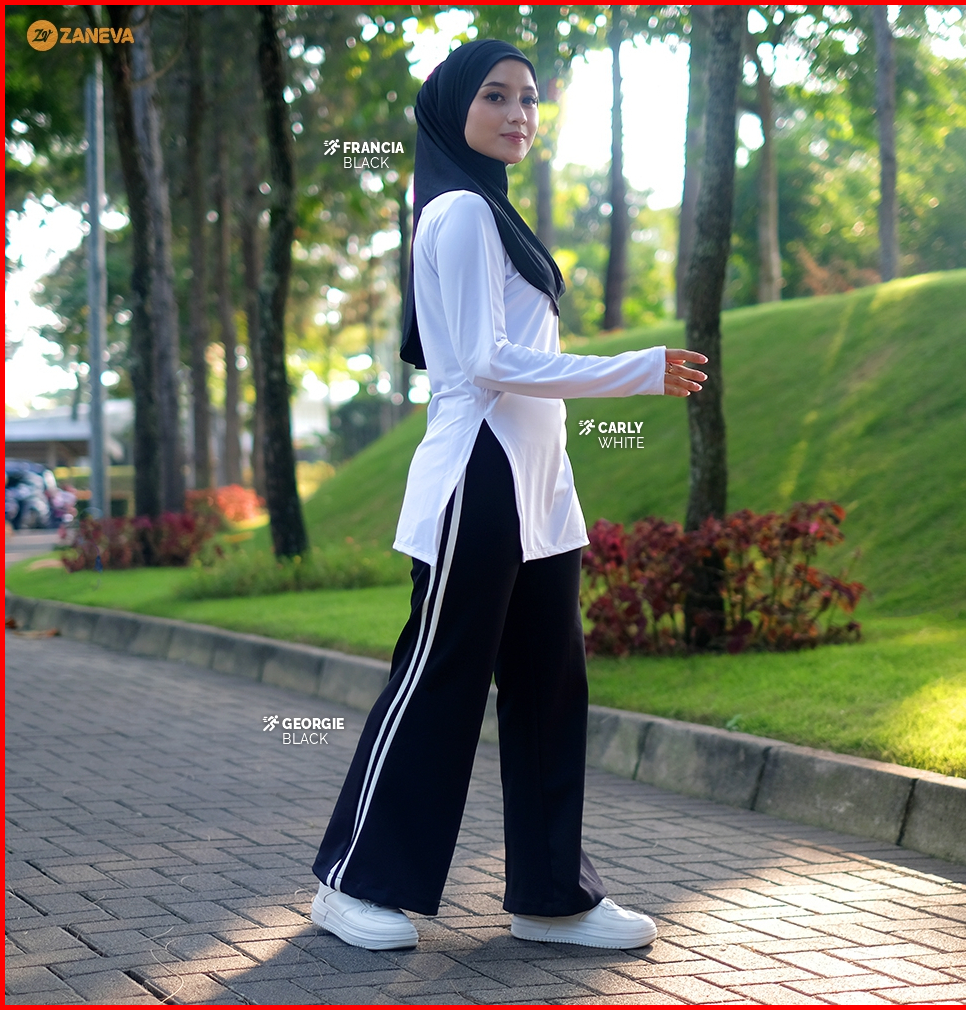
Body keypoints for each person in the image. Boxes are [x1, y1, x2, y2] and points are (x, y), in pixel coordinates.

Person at [311, 39, 708, 952]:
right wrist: (634, 370)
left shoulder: (493, 212)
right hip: (479, 475)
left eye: (528, 98)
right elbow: (488, 361)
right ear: (453, 110)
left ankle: (551, 897)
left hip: (541, 485)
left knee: (548, 686)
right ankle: (352, 881)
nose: (518, 113)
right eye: (495, 96)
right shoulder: (457, 212)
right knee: (441, 676)